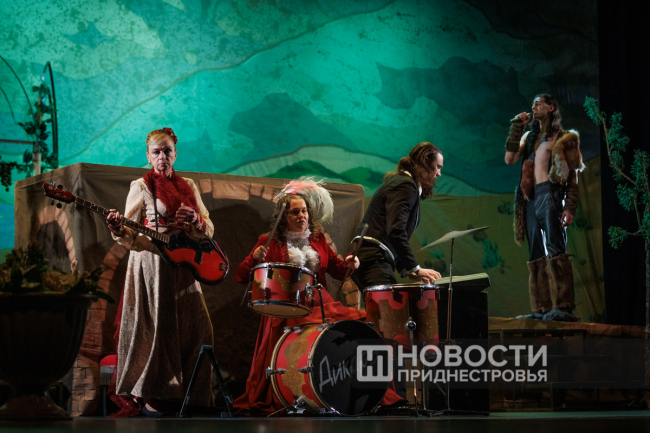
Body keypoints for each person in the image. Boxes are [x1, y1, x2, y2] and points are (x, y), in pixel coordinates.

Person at [233, 177, 401, 415]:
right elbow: (241, 276)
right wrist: (254, 259)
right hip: (285, 306)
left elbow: (339, 271)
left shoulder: (318, 240)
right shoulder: (268, 242)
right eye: (294, 212)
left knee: (366, 321)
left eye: (304, 211)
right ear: (283, 217)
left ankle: (376, 394)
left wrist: (351, 264)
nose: (301, 216)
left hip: (321, 303)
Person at [105, 127, 214, 416]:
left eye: (167, 151)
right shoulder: (140, 186)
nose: (162, 156)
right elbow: (129, 234)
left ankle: (191, 397)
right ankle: (154, 400)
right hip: (152, 265)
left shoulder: (188, 185)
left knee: (198, 328)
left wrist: (196, 220)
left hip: (184, 264)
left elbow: (209, 229)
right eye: (157, 152)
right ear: (148, 156)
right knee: (157, 331)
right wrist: (118, 228)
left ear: (175, 154)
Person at [504, 94, 584, 322]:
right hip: (530, 198)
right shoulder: (529, 137)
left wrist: (569, 207)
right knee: (535, 253)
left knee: (556, 249)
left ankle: (564, 306)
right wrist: (516, 127)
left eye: (539, 103)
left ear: (551, 107)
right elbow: (510, 158)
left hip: (552, 194)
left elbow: (573, 178)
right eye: (533, 103)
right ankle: (540, 308)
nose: (534, 106)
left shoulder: (565, 138)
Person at [351, 142, 443, 289]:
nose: (439, 173)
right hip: (374, 260)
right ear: (426, 161)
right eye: (438, 167)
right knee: (389, 304)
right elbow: (396, 231)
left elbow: (393, 235)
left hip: (373, 259)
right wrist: (414, 268)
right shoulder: (406, 185)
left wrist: (408, 269)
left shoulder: (403, 182)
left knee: (388, 303)